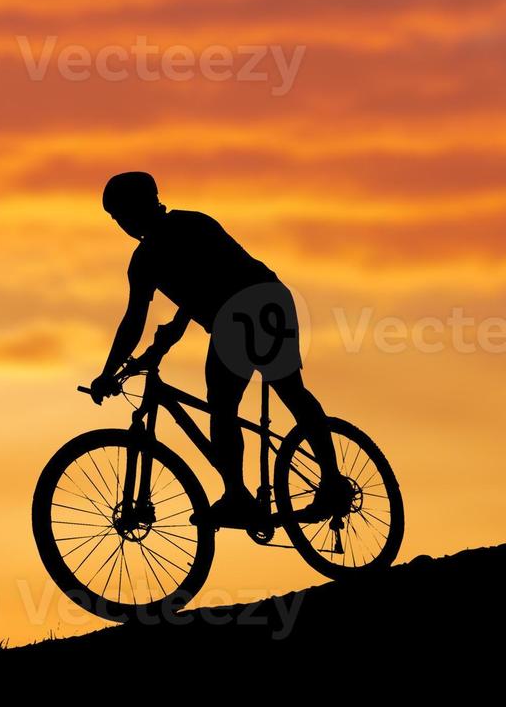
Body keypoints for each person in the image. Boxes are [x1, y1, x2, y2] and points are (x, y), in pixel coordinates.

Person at [87, 172, 337, 528]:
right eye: (116, 218)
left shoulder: (183, 230)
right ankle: (259, 491)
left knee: (245, 398)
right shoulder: (153, 253)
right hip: (246, 310)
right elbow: (143, 317)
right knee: (254, 398)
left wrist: (132, 358)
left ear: (144, 204)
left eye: (122, 214)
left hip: (253, 303)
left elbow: (204, 283)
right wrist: (119, 366)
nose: (122, 224)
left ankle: (301, 486)